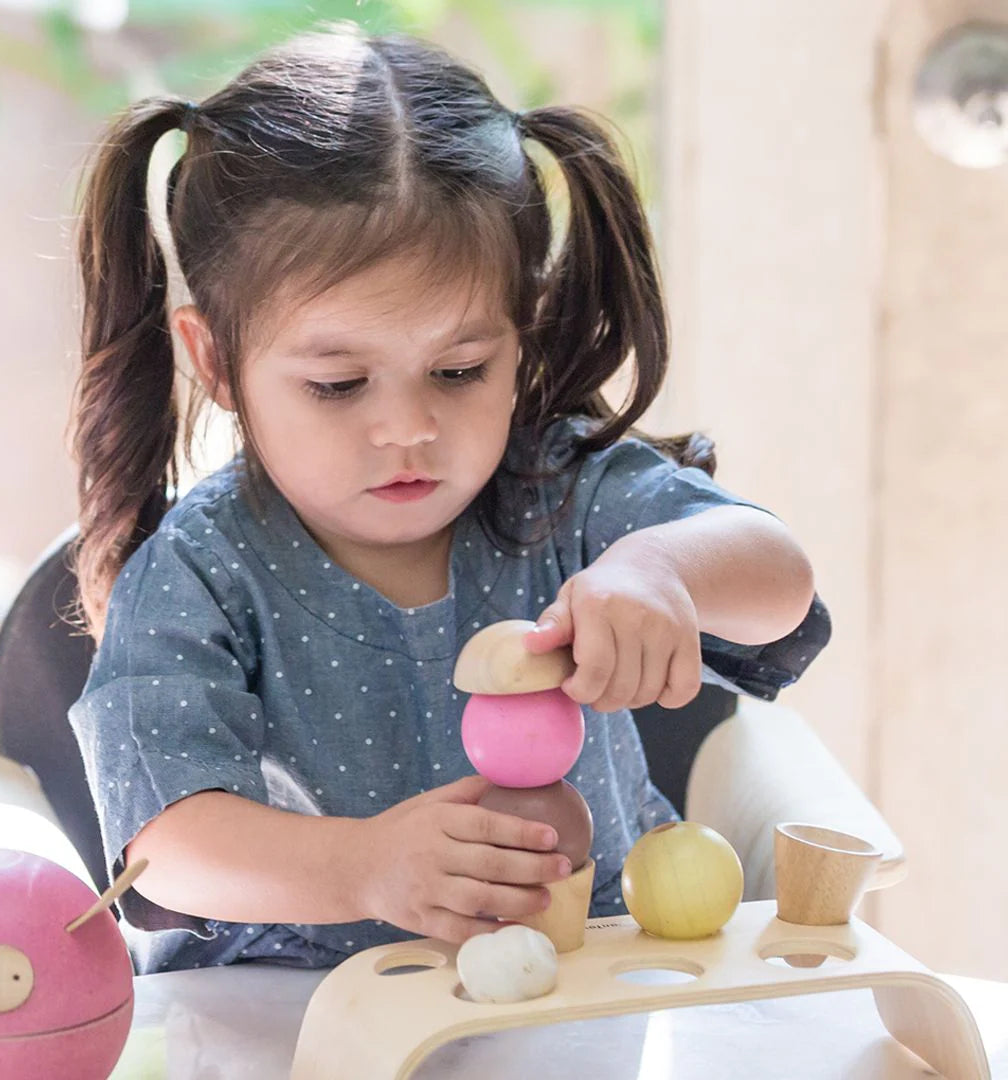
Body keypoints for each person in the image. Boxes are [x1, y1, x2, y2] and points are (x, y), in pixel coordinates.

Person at [67, 24, 829, 975]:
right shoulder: (200, 572)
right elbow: (162, 846)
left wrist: (659, 570)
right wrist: (364, 869)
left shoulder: (560, 492)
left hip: (584, 988)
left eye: (461, 369)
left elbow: (781, 580)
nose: (409, 429)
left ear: (525, 332)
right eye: (340, 385)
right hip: (297, 1013)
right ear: (216, 360)